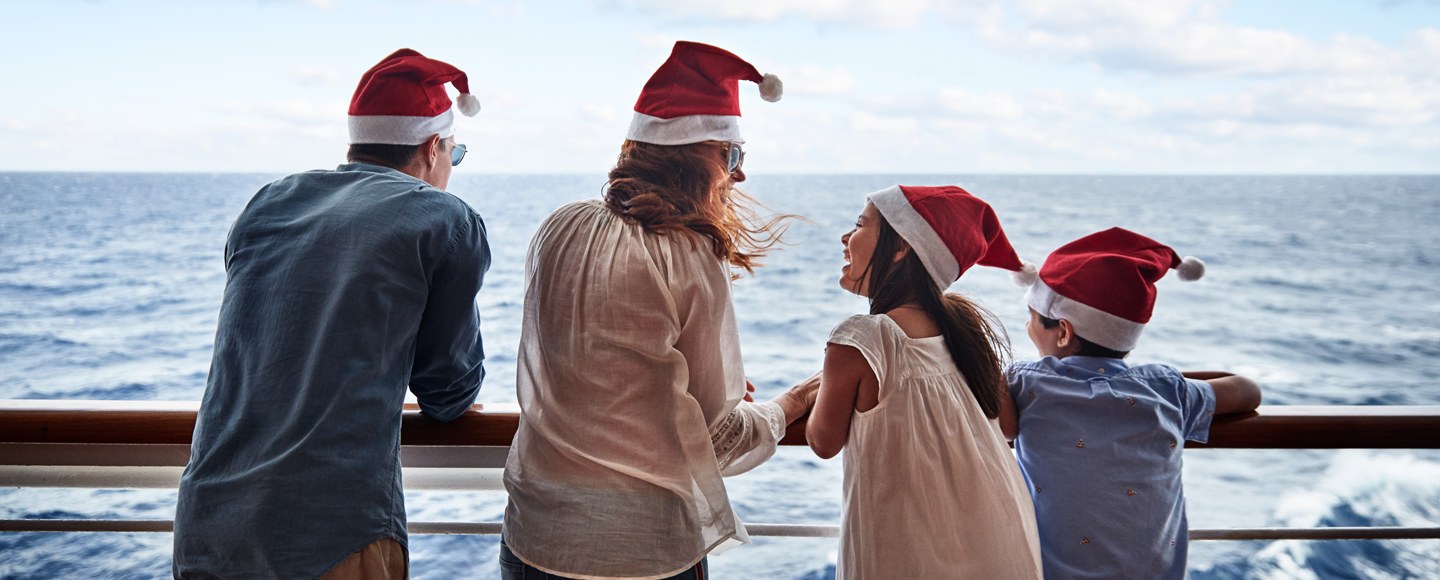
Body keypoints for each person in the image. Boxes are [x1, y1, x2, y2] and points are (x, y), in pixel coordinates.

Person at [499, 40, 815, 580]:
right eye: (732, 156)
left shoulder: (559, 226)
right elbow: (718, 436)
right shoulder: (690, 254)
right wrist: (789, 406)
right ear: (697, 160)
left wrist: (678, 391)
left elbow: (583, 364)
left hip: (535, 538)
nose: (738, 176)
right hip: (640, 553)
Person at [173, 49, 491, 579]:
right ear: (433, 147)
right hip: (329, 533)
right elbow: (449, 392)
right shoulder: (443, 220)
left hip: (209, 523)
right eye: (454, 156)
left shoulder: (270, 202)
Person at [806, 185, 1044, 579]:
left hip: (908, 549)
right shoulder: (968, 330)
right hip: (997, 539)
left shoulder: (861, 338)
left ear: (901, 247)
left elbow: (823, 441)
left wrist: (804, 395)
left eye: (859, 224)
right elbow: (1007, 424)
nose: (845, 238)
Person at [1004, 227, 1263, 579]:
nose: (1027, 326)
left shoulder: (1025, 383)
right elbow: (1247, 391)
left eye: (1033, 319)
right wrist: (1179, 382)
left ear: (1063, 332)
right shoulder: (1165, 389)